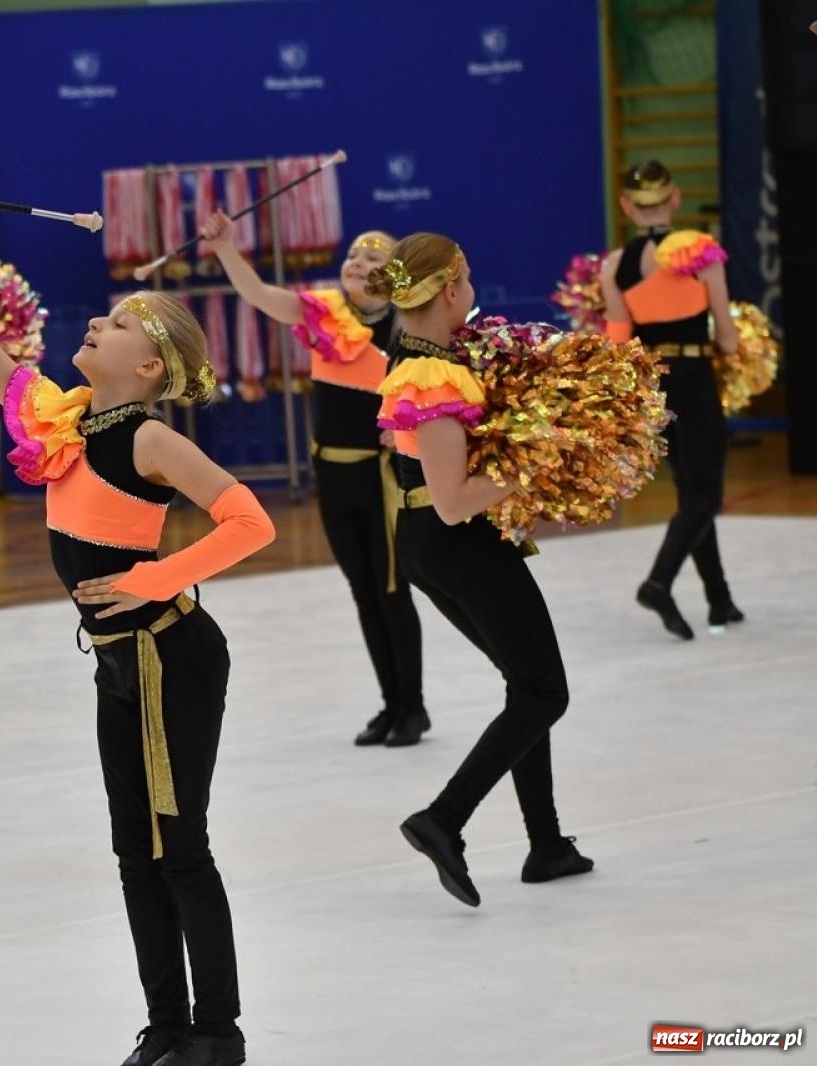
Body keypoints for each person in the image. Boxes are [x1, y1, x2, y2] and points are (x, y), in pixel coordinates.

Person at [0, 168, 274, 1066]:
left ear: (149, 368)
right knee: (134, 852)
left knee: (181, 848)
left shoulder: (149, 438)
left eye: (119, 323)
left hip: (171, 654)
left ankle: (218, 1034)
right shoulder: (57, 419)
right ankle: (165, 1025)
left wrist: (155, 579)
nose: (97, 322)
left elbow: (249, 521)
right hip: (116, 661)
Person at [369, 233, 593, 908]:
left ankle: (547, 845)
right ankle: (444, 819)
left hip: (434, 543)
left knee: (526, 685)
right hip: (455, 540)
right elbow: (453, 499)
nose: (471, 290)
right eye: (465, 279)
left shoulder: (428, 356)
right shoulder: (429, 375)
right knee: (544, 692)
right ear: (449, 289)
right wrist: (540, 455)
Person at [201, 212, 428, 746]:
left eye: (373, 258)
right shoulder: (325, 312)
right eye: (353, 255)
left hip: (381, 477)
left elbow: (431, 394)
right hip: (332, 473)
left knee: (391, 590)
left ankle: (413, 707)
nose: (358, 262)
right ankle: (390, 704)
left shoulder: (408, 329)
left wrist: (408, 428)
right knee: (363, 592)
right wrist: (228, 249)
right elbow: (258, 295)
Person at [600, 160, 743, 639]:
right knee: (706, 495)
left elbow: (619, 344)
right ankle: (658, 583)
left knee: (691, 494)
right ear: (675, 198)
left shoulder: (614, 266)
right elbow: (727, 337)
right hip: (695, 378)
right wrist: (732, 346)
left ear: (627, 206)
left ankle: (720, 600)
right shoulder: (700, 252)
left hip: (655, 387)